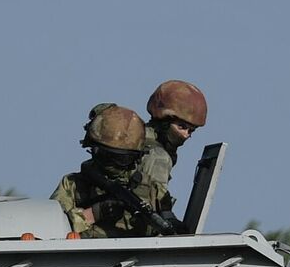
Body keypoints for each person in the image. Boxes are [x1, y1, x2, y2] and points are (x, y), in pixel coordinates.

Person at [52, 105, 176, 239]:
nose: (112, 164)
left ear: (137, 158)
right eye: (105, 155)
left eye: (122, 158)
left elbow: (171, 235)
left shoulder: (153, 191)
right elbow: (51, 229)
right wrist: (93, 214)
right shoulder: (72, 186)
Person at [139, 79, 207, 209]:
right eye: (182, 126)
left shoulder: (139, 135)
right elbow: (152, 205)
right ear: (164, 121)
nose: (186, 134)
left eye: (191, 130)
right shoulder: (159, 156)